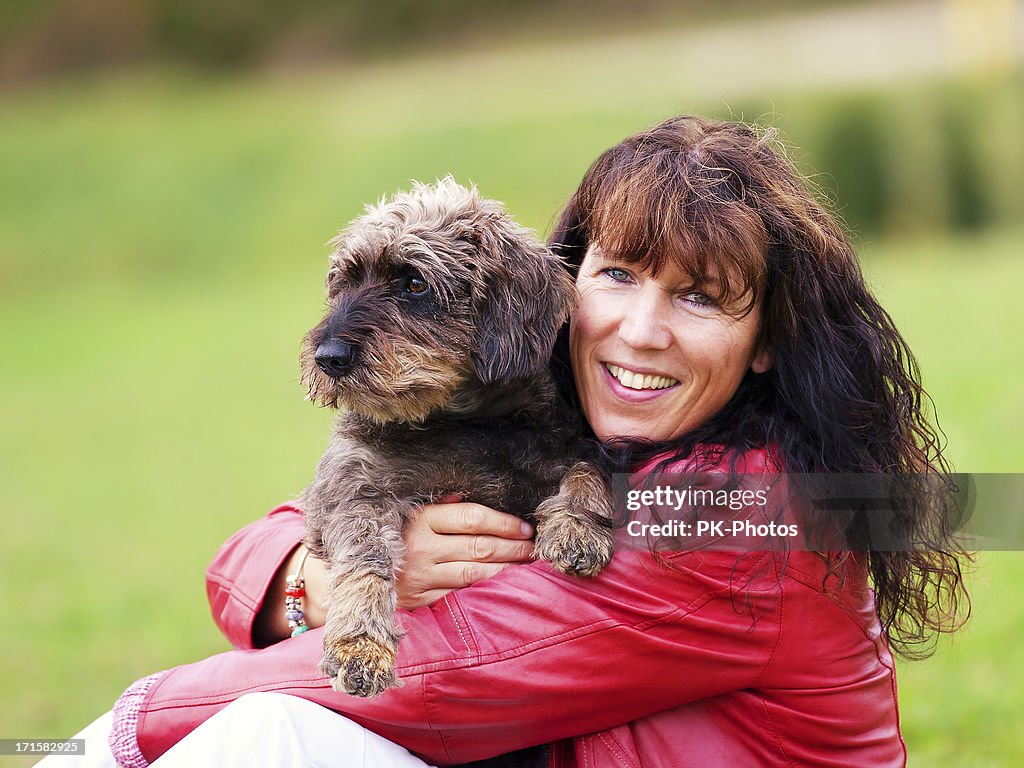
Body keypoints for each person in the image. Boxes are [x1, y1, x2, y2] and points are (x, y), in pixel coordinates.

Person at [42, 115, 969, 767]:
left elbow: (442, 675)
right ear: (563, 286)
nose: (640, 331)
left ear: (768, 340)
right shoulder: (573, 412)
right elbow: (275, 530)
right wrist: (310, 581)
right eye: (617, 274)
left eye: (698, 295)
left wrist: (105, 737)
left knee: (268, 742)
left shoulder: (739, 517)